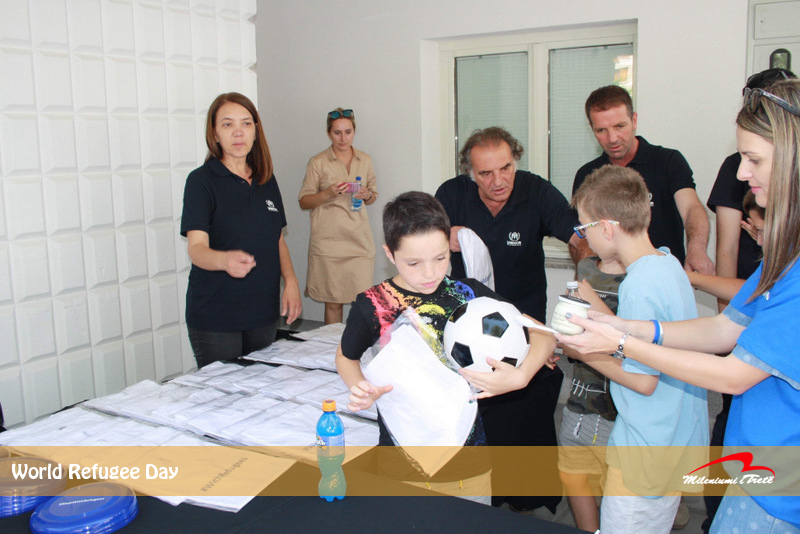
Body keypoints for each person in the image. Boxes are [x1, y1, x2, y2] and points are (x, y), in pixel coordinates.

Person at [558, 79, 800, 533]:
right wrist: (625, 328)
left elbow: (733, 374)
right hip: (750, 465)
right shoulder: (771, 261)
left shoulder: (648, 268)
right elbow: (722, 328)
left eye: (753, 159)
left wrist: (613, 343)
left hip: (780, 486)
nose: (741, 174)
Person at [334, 191, 556, 504]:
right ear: (390, 254)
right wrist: (360, 386)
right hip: (401, 464)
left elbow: (544, 334)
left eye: (440, 258)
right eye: (414, 263)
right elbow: (346, 356)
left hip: (469, 464)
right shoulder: (372, 305)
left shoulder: (469, 294)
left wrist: (521, 376)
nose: (430, 273)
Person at [435, 126, 581, 512]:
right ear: (470, 173)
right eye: (485, 173)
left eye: (506, 168)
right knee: (478, 413)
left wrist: (585, 280)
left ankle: (525, 499)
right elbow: (421, 239)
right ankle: (480, 496)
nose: (498, 181)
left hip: (524, 323)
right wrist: (443, 235)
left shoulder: (537, 191)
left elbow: (579, 238)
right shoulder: (451, 194)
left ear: (515, 160)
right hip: (467, 329)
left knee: (525, 414)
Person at [566, 164, 708, 534]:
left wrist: (585, 353)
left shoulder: (638, 285)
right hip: (673, 439)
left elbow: (644, 381)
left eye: (584, 228)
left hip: (644, 450)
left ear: (606, 228)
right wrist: (591, 303)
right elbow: (651, 342)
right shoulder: (667, 263)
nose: (583, 237)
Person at [180, 92, 302, 368]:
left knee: (262, 389)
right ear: (215, 134)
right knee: (223, 393)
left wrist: (291, 281)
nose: (238, 132)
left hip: (263, 313)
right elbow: (196, 249)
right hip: (216, 316)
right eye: (227, 124)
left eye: (246, 123)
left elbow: (277, 239)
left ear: (256, 131)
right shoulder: (201, 182)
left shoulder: (266, 180)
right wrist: (224, 260)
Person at [573, 85, 714, 275]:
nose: (612, 138)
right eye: (601, 130)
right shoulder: (587, 175)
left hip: (663, 275)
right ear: (591, 128)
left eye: (619, 126)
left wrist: (697, 249)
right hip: (611, 283)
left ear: (634, 120)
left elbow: (691, 208)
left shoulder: (668, 161)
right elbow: (583, 233)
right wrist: (588, 275)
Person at [707, 69, 795, 311]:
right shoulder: (734, 168)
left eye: (755, 160)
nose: (742, 174)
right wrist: (726, 312)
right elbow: (727, 249)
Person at [558, 255, 625, 532]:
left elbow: (638, 346)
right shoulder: (585, 267)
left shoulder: (641, 278)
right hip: (580, 400)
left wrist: (581, 348)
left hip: (619, 411)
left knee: (615, 486)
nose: (581, 235)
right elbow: (571, 324)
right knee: (573, 475)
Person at [299, 108, 378, 324]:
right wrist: (328, 194)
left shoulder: (365, 159)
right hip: (329, 244)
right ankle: (331, 345)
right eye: (337, 133)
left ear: (354, 132)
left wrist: (367, 194)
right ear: (328, 133)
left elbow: (373, 196)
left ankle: (355, 345)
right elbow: (304, 201)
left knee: (362, 303)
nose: (343, 138)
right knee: (333, 303)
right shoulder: (318, 162)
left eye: (348, 132)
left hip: (359, 242)